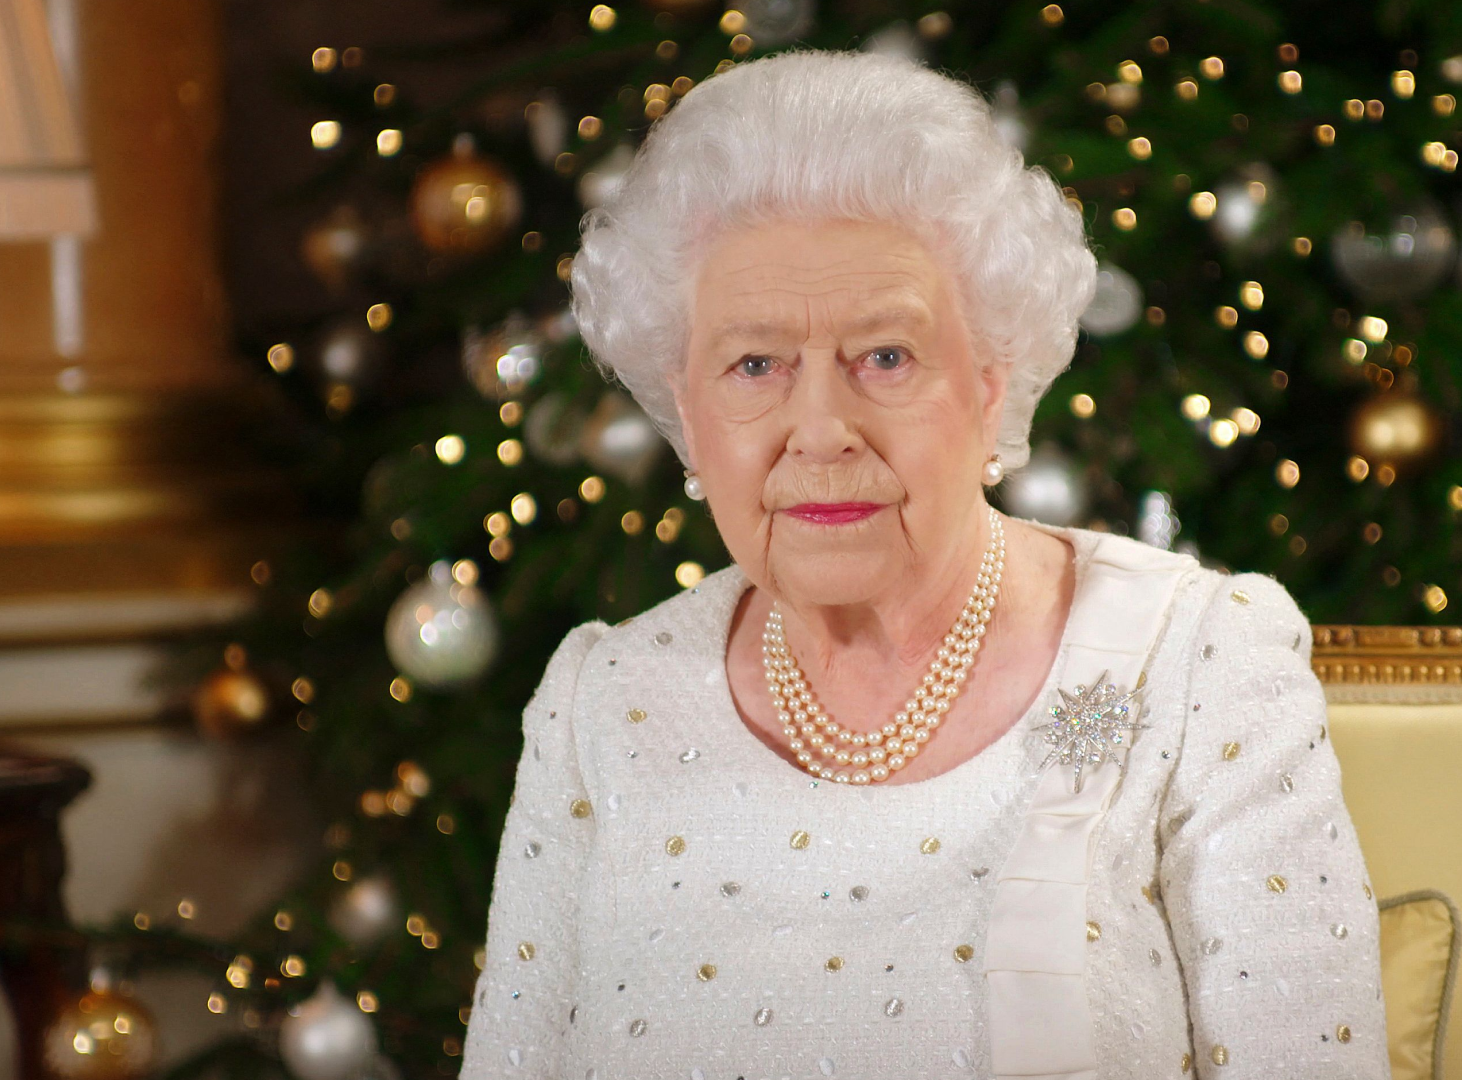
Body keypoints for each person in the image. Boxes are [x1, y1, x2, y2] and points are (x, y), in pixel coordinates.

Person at [462, 49, 1387, 1079]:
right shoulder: (606, 702)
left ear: (992, 384)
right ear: (686, 409)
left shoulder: (1195, 664)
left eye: (886, 357)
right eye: (755, 364)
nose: (821, 429)